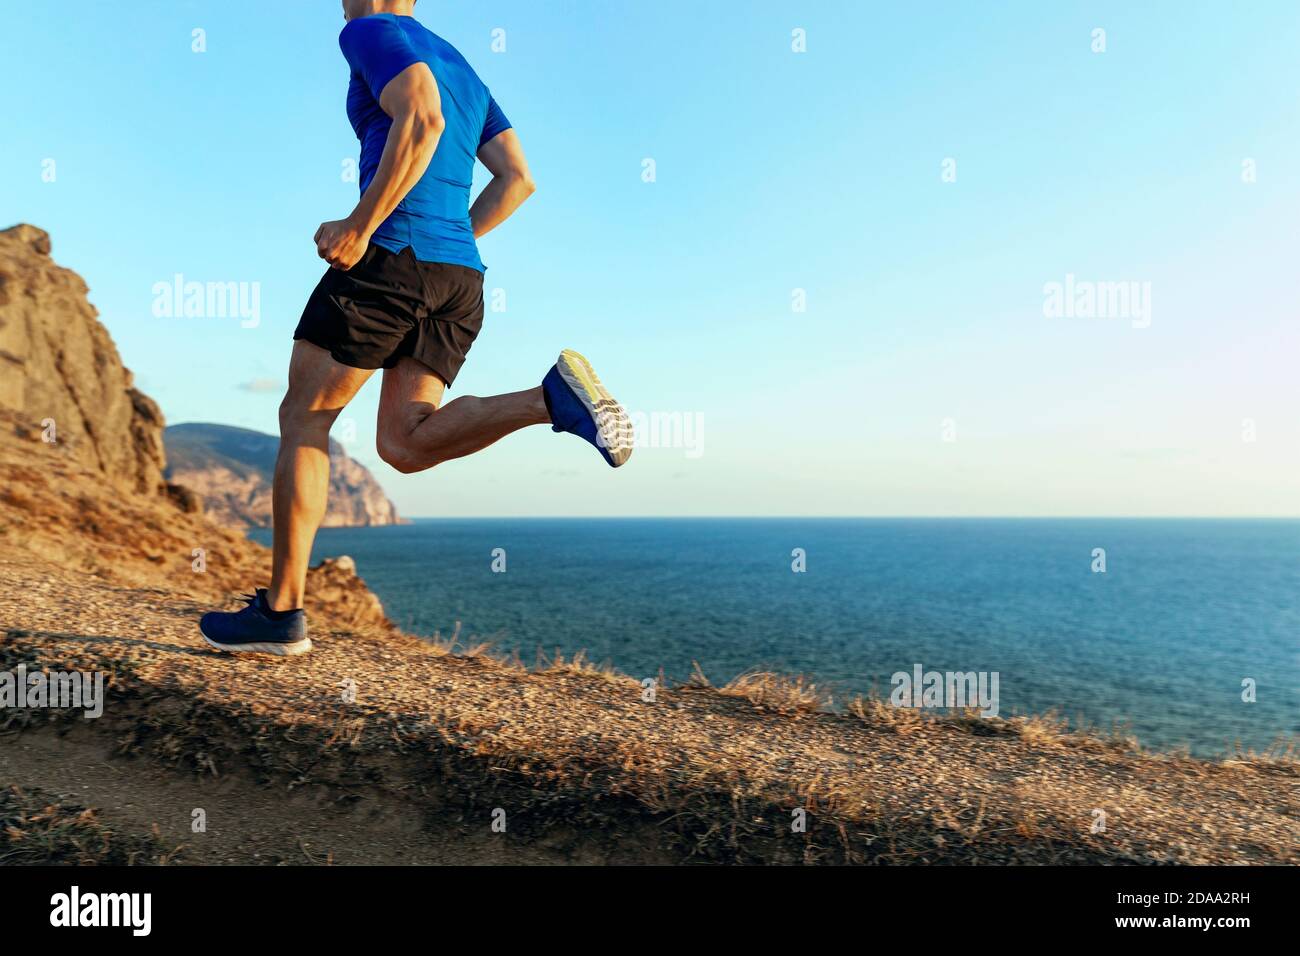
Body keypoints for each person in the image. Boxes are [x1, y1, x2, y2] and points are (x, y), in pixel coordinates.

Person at [199, 0, 632, 656]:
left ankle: (281, 614)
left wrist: (362, 226)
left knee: (305, 418)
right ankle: (553, 399)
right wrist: (446, 242)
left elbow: (422, 119)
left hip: (389, 261)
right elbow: (518, 179)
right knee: (404, 444)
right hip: (459, 279)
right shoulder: (464, 66)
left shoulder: (370, 30)